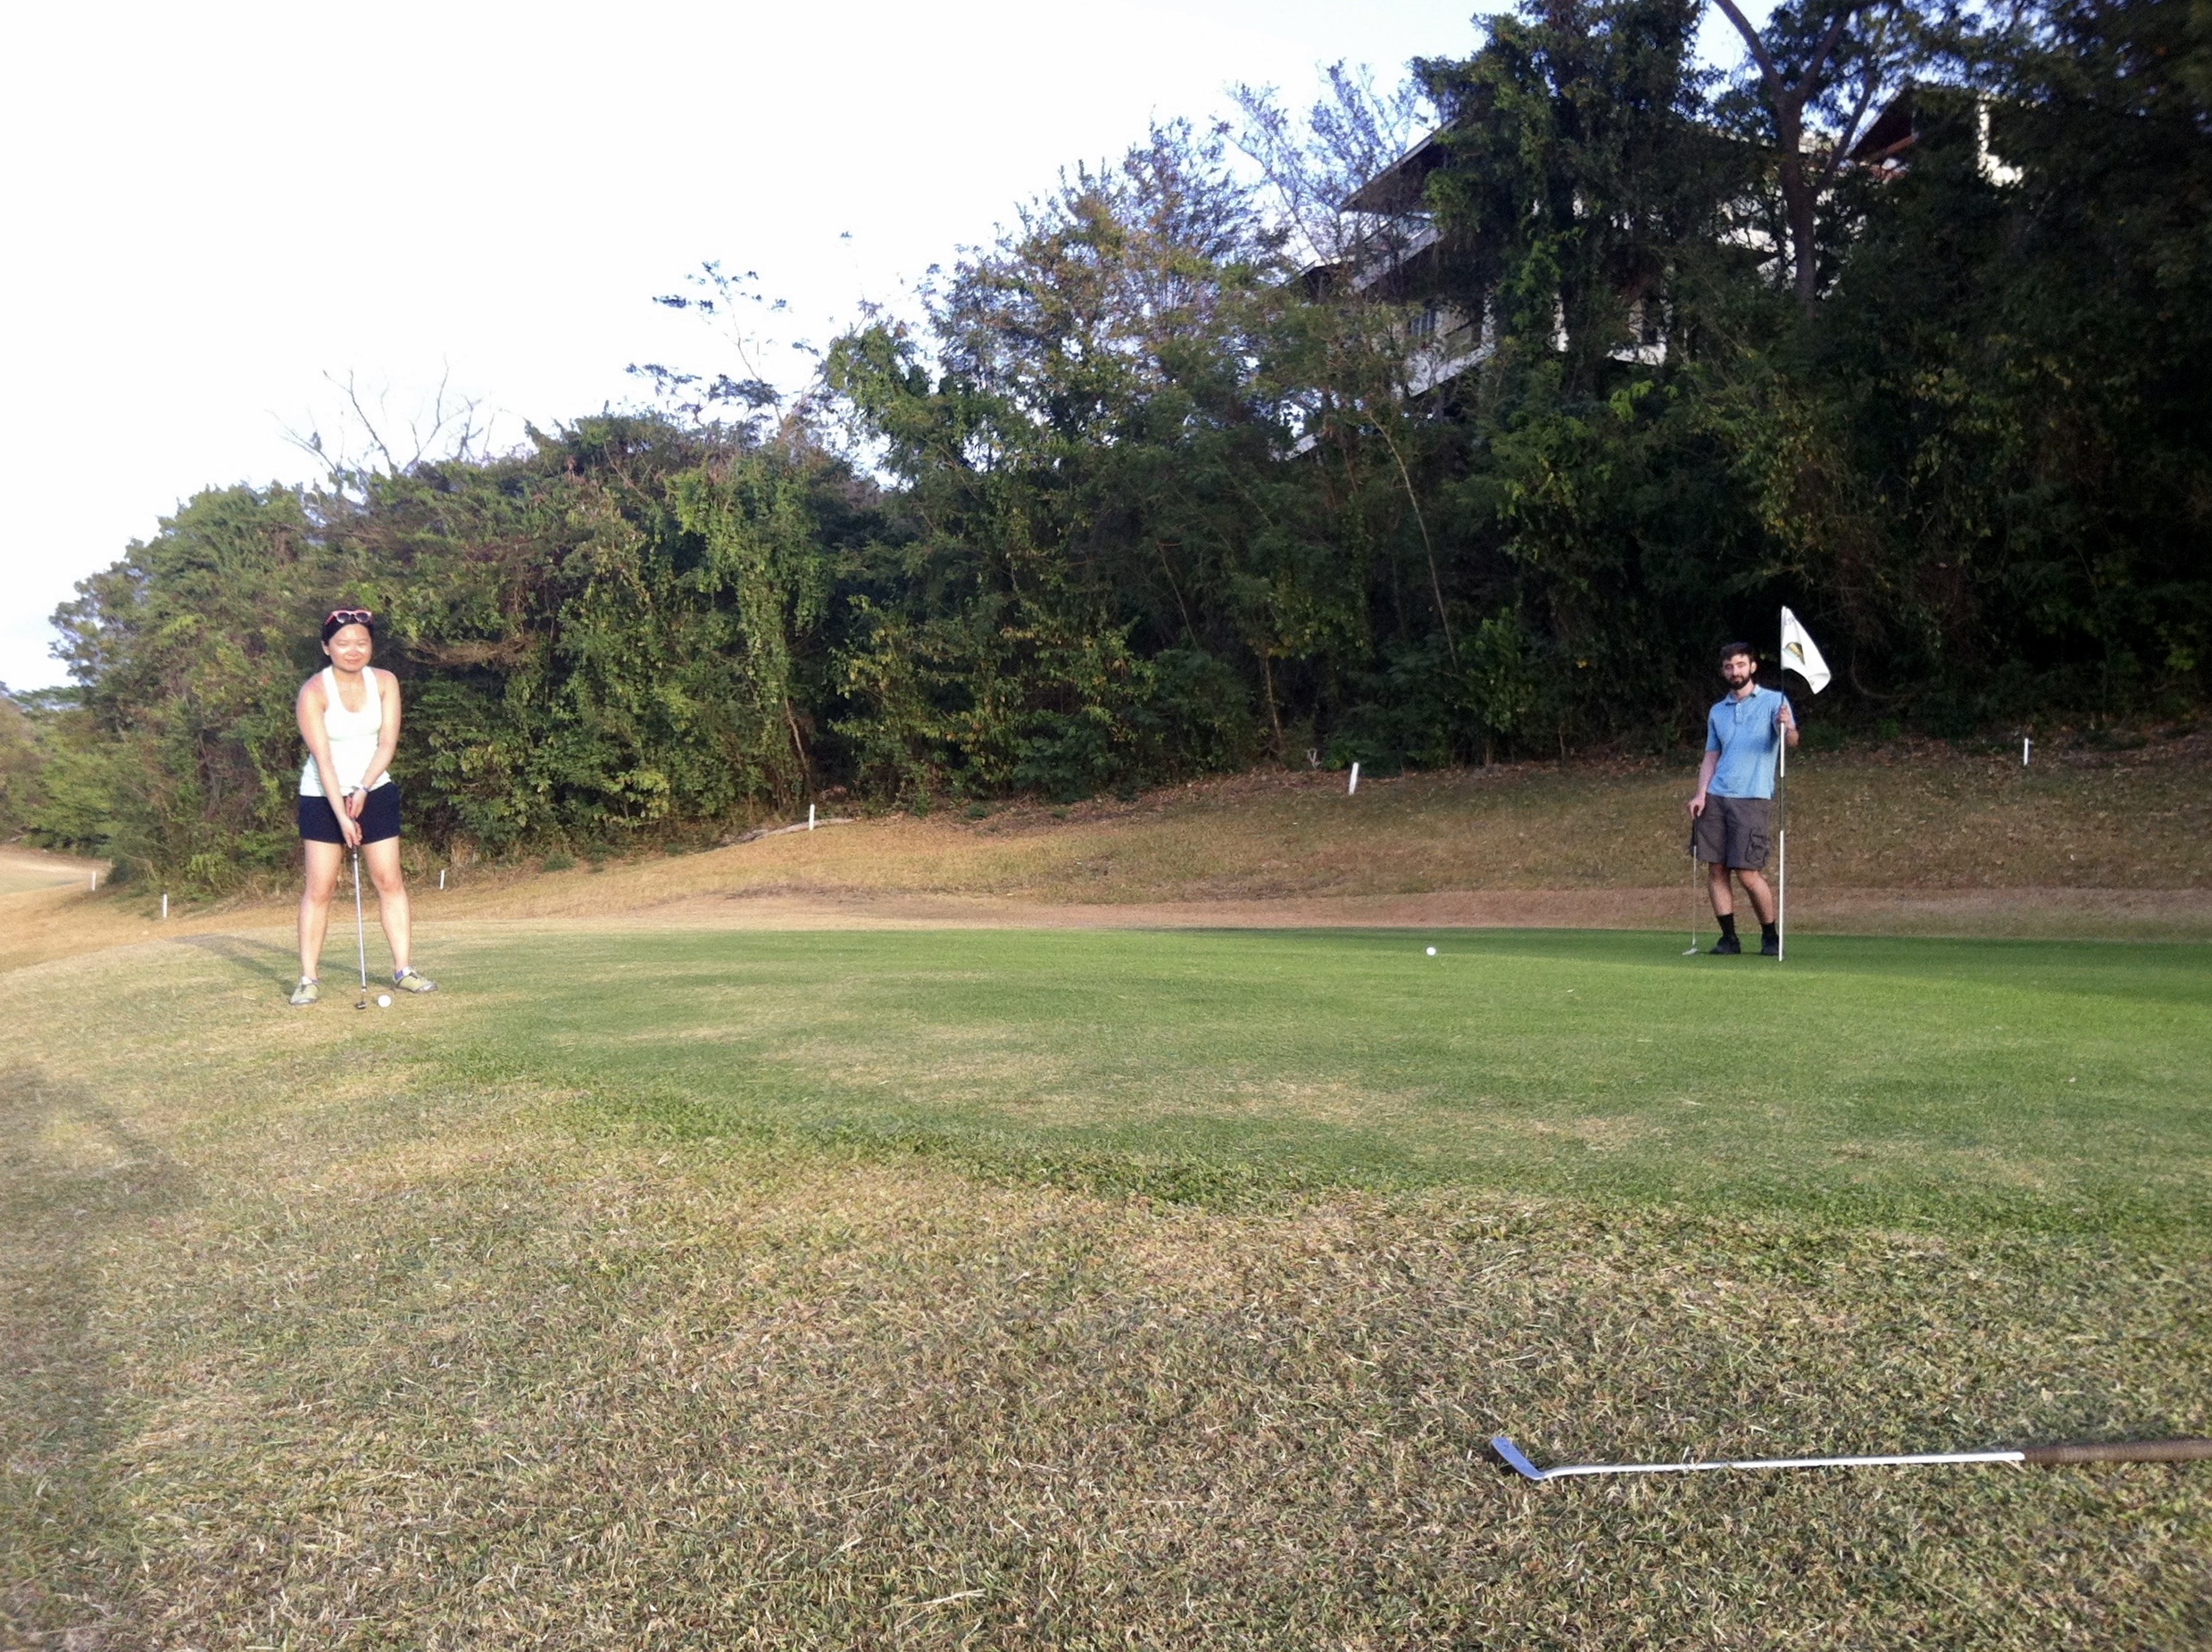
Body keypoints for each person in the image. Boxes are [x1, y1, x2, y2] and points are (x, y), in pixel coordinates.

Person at [290, 608, 437, 1005]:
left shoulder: (385, 682)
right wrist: (341, 814)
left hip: (374, 788)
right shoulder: (314, 692)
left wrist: (364, 789)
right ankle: (308, 978)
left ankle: (404, 970)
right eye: (343, 643)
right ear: (327, 648)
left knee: (389, 881)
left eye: (361, 642)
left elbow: (387, 744)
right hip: (322, 795)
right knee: (320, 888)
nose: (352, 650)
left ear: (371, 646)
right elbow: (323, 760)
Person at [1688, 640, 1798, 956]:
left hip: (1752, 798)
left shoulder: (1775, 701)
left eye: (1739, 665)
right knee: (1716, 869)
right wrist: (1700, 793)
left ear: (1752, 666)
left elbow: (1792, 740)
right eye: (1728, 667)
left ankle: (1770, 937)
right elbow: (1711, 755)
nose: (1734, 671)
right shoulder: (1717, 711)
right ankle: (1729, 939)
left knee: (1748, 873)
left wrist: (1785, 726)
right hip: (1716, 796)